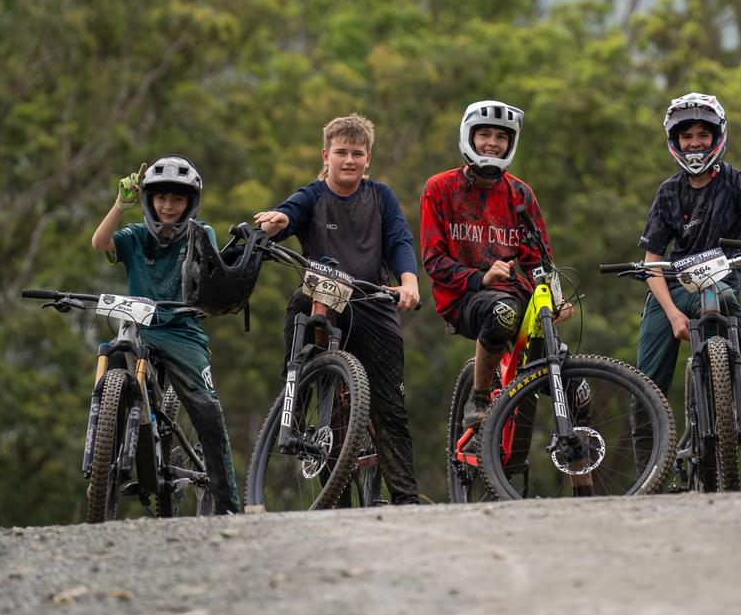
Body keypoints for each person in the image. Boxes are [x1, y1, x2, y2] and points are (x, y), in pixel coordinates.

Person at [254, 113, 422, 505]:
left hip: (372, 300)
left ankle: (407, 501)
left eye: (357, 153)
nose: (349, 160)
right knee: (300, 304)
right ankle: (295, 397)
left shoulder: (381, 196)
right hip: (323, 297)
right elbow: (287, 213)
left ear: (368, 159)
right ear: (325, 155)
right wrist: (277, 221)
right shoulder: (313, 195)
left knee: (389, 409)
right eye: (341, 152)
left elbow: (400, 241)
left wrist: (409, 282)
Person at [91, 154, 241, 513]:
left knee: (206, 409)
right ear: (148, 200)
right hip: (138, 329)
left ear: (190, 202)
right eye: (161, 198)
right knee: (110, 357)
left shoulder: (200, 234)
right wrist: (119, 206)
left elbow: (212, 277)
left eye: (177, 199)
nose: (168, 206)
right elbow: (100, 243)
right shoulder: (136, 236)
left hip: (182, 333)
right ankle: (102, 464)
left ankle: (228, 504)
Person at [419, 100, 572, 442]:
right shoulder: (440, 189)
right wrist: (480, 277)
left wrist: (555, 300)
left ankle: (582, 467)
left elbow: (539, 260)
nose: (492, 143)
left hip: (517, 295)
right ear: (468, 137)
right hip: (464, 299)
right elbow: (433, 260)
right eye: (484, 134)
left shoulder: (520, 194)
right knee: (503, 312)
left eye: (501, 136)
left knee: (573, 381)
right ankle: (479, 398)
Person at [635, 92, 741, 434]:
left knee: (724, 300)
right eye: (686, 136)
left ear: (717, 137)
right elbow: (652, 263)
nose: (695, 144)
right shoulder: (668, 192)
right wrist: (673, 313)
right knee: (645, 390)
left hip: (718, 283)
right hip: (672, 289)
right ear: (675, 141)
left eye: (702, 135)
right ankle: (649, 481)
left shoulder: (738, 182)